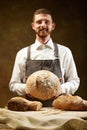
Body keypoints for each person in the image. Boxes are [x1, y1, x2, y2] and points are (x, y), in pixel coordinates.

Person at [9, 8, 80, 106]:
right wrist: (27, 88)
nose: (43, 25)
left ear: (53, 26)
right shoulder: (23, 53)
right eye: (39, 22)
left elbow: (74, 81)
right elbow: (13, 84)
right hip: (31, 110)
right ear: (33, 26)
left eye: (47, 22)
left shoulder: (65, 52)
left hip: (59, 109)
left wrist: (60, 89)